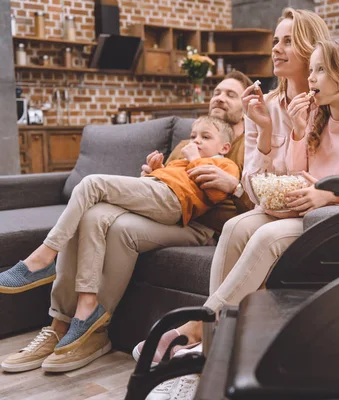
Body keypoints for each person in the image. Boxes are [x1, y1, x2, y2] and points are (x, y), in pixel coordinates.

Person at [135, 13, 339, 369]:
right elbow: (294, 169)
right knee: (233, 228)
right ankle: (211, 348)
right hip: (300, 211)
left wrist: (331, 196)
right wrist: (295, 129)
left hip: (329, 221)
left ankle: (200, 326)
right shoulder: (318, 119)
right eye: (314, 70)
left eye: (319, 71)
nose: (313, 79)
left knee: (264, 238)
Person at [0, 71, 253, 374]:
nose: (220, 98)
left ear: (247, 104)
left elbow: (252, 200)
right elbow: (169, 182)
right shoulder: (192, 139)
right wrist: (150, 174)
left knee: (115, 224)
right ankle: (66, 324)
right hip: (170, 210)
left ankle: (80, 319)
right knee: (92, 216)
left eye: (231, 94)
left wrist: (233, 186)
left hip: (203, 227)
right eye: (217, 92)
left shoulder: (249, 144)